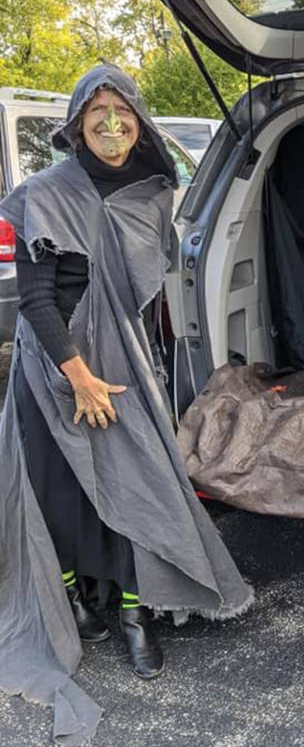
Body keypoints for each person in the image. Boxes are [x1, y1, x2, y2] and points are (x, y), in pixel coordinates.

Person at [0, 65, 253, 746]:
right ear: (78, 120)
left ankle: (136, 615)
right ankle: (80, 607)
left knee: (139, 485)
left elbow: (153, 297)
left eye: (123, 113)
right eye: (97, 112)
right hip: (56, 370)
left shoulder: (152, 194)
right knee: (59, 498)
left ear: (140, 123)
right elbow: (34, 301)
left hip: (126, 367)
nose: (111, 125)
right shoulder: (42, 194)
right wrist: (77, 375)